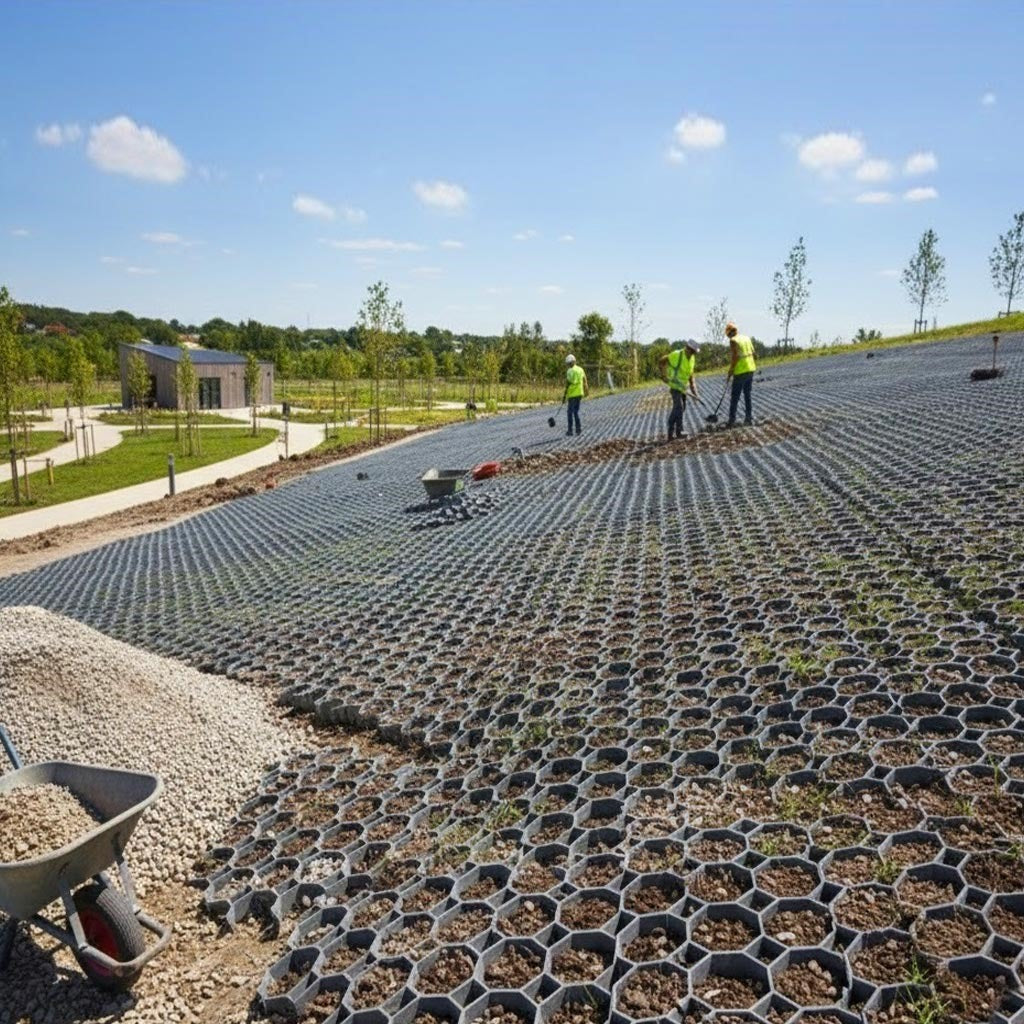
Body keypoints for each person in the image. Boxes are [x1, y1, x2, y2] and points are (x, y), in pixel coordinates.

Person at [658, 339, 700, 440]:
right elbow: (662, 361)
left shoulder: (692, 358)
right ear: (688, 349)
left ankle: (677, 432)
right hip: (674, 386)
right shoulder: (676, 355)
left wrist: (695, 391)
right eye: (692, 351)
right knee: (679, 407)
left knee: (681, 408)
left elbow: (690, 375)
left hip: (683, 388)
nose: (693, 354)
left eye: (694, 352)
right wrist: (663, 375)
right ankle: (673, 431)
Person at [725, 322, 756, 426]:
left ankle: (731, 421)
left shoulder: (733, 341)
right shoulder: (746, 338)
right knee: (747, 395)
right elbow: (754, 353)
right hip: (750, 369)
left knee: (735, 397)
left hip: (740, 371)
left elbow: (735, 357)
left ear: (729, 333)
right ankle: (748, 418)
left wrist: (730, 371)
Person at [564, 354, 588, 435]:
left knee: (570, 412)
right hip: (580, 393)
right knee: (576, 411)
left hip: (572, 394)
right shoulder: (580, 369)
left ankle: (570, 430)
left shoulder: (569, 371)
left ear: (570, 363)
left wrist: (564, 395)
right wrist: (586, 390)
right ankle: (578, 429)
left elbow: (567, 383)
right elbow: (585, 380)